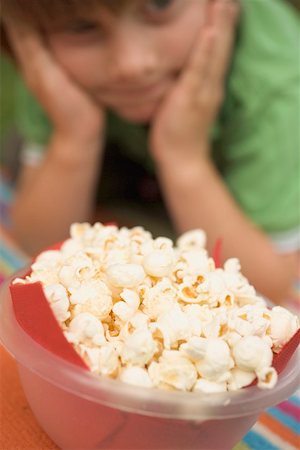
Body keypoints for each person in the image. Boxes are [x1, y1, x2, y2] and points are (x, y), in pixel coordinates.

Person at [1, 0, 299, 302]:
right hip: (122, 156)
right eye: (83, 27)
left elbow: (268, 285)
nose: (131, 65)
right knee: (22, 164)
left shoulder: (277, 84)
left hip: (228, 164)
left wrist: (183, 159)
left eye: (159, 5)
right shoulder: (53, 57)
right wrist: (74, 137)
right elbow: (38, 245)